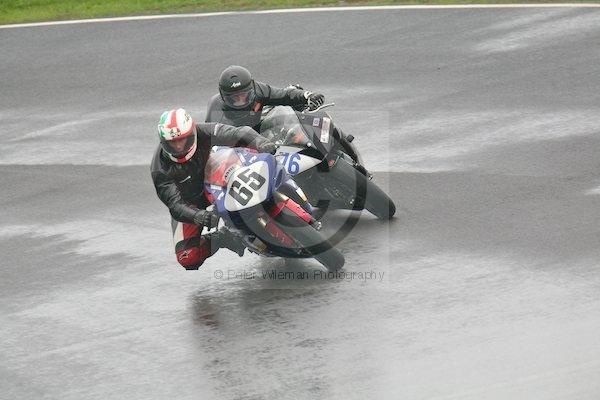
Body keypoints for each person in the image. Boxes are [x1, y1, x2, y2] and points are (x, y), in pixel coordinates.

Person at [150, 108, 277, 270]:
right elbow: (175, 205)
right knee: (187, 257)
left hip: (217, 176)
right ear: (163, 142)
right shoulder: (160, 169)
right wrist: (197, 216)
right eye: (172, 143)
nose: (179, 146)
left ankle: (274, 198)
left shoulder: (203, 131)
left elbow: (238, 133)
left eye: (183, 140)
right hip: (190, 201)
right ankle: (225, 237)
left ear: (192, 133)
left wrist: (260, 142)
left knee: (250, 150)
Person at [205, 65, 361, 164]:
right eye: (235, 98)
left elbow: (284, 95)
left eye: (245, 95)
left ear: (252, 88)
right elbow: (214, 149)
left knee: (320, 120)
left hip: (264, 130)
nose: (241, 101)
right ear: (224, 97)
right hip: (244, 149)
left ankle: (352, 157)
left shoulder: (259, 90)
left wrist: (307, 95)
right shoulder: (217, 113)